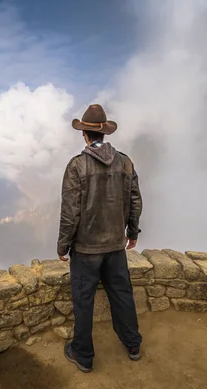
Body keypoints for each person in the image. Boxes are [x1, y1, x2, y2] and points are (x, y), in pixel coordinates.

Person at [57, 104, 143, 373]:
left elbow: (70, 211)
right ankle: (132, 344)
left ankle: (82, 354)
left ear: (84, 134)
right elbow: (135, 200)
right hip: (115, 246)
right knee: (122, 294)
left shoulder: (77, 166)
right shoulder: (125, 162)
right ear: (104, 133)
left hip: (85, 250)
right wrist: (132, 232)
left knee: (84, 301)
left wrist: (63, 245)